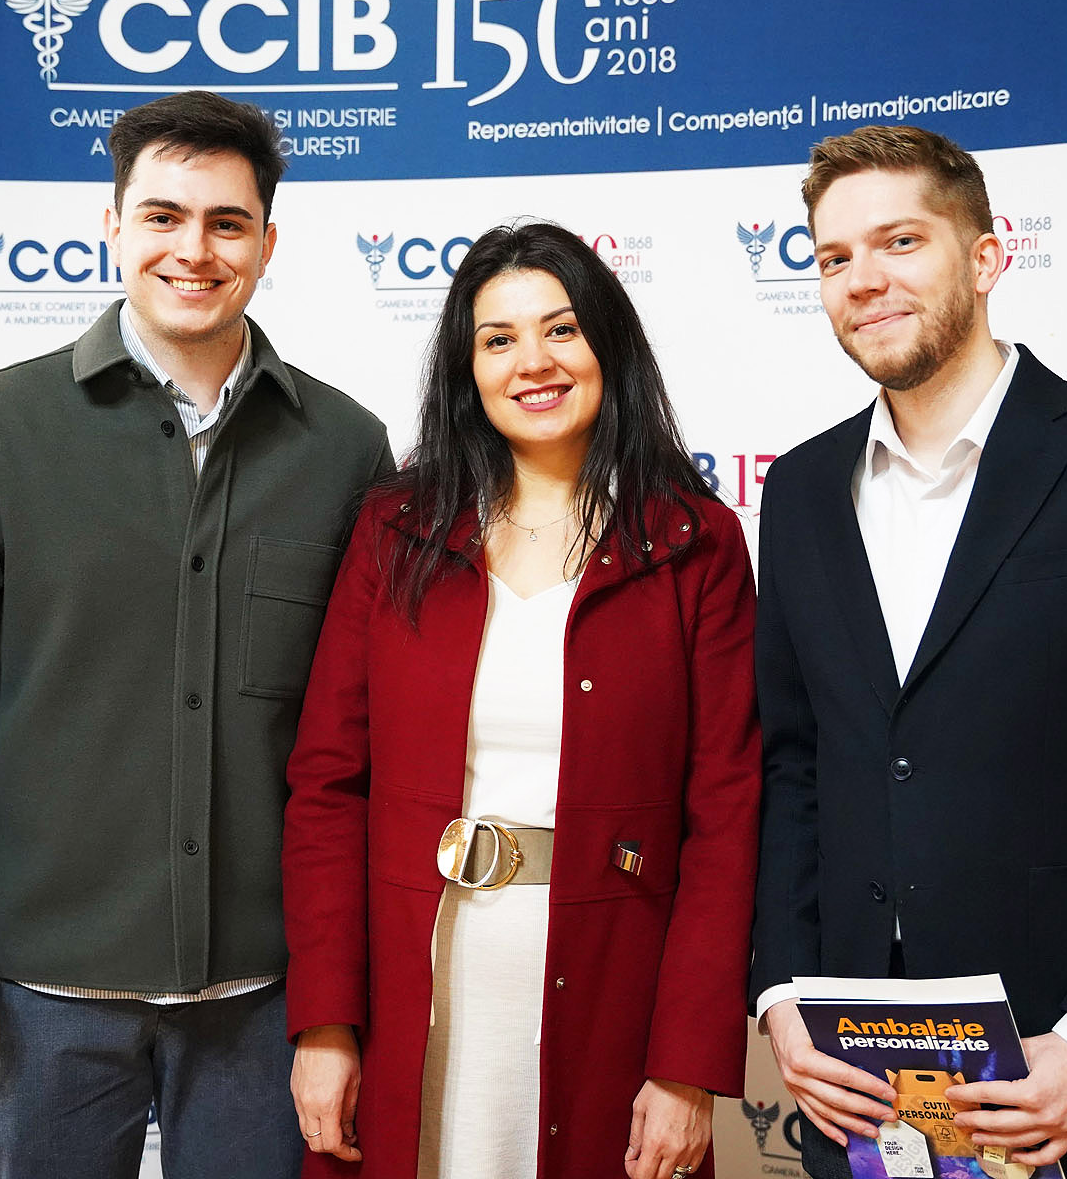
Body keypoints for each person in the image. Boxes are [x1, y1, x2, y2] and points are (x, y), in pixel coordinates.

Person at [0, 91, 392, 1179]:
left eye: (227, 222)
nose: (194, 249)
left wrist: (341, 987)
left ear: (268, 243)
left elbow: (365, 737)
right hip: (41, 994)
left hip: (265, 997)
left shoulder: (346, 448)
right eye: (162, 216)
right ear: (113, 226)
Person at [749, 126, 1067, 1179]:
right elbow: (796, 765)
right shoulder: (800, 490)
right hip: (857, 1088)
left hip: (1060, 1084)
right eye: (834, 257)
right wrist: (785, 995)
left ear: (986, 257)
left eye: (900, 241)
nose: (864, 280)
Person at [282, 222, 760, 1179]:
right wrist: (326, 1024)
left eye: (561, 330)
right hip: (414, 994)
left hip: (615, 1001)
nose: (532, 362)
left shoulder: (694, 542)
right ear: (469, 371)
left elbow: (726, 817)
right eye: (498, 339)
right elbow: (328, 786)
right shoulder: (395, 529)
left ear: (607, 346)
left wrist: (686, 1066)